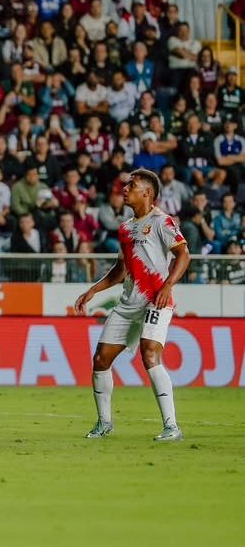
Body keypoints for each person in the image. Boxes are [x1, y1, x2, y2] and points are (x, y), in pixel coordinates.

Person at [73, 169, 190, 442]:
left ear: (147, 193)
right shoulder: (125, 228)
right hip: (128, 303)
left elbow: (184, 255)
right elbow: (121, 269)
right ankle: (104, 423)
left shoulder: (162, 221)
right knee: (100, 360)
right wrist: (94, 290)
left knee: (149, 354)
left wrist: (167, 286)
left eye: (132, 185)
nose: (125, 189)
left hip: (156, 300)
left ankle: (171, 426)